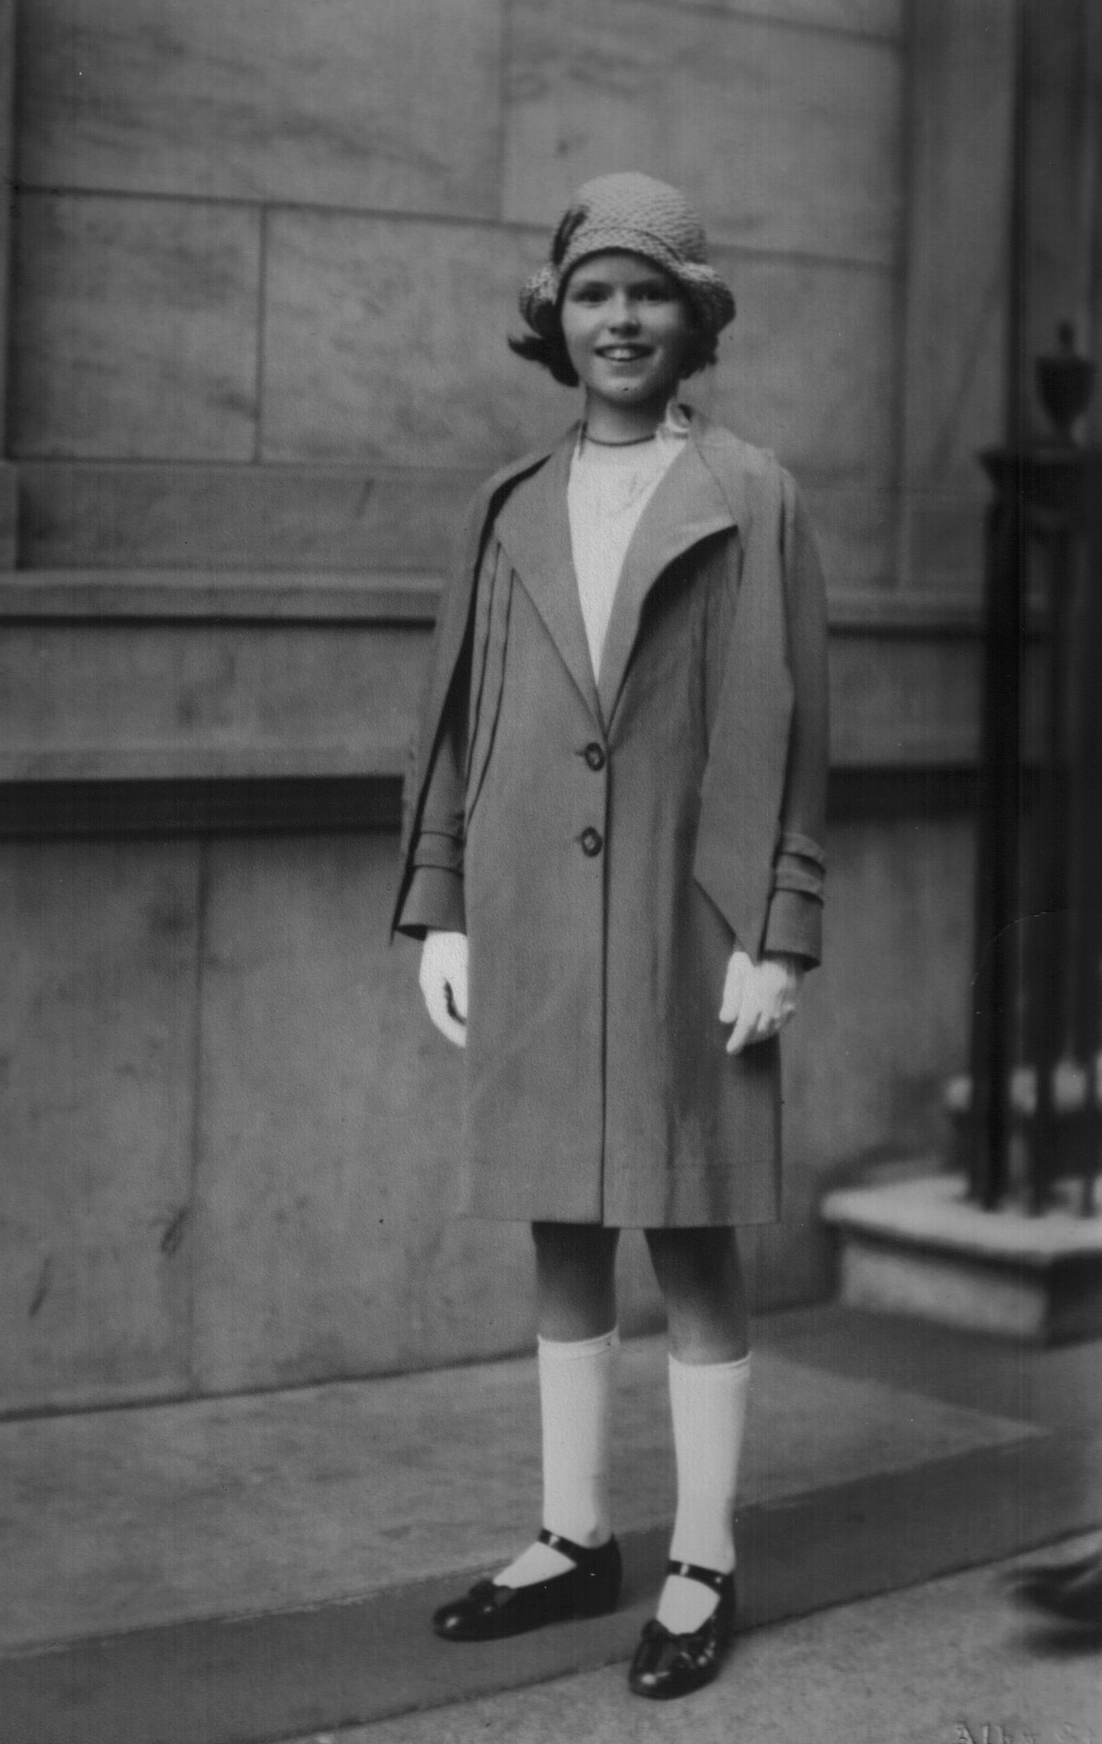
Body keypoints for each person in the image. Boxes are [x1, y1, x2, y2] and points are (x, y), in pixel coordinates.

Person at [391, 172, 829, 1701]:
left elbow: (794, 727)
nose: (621, 317)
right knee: (560, 1222)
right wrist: (440, 899)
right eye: (594, 292)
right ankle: (571, 1535)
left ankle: (702, 1555)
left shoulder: (754, 493)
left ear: (694, 317)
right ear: (555, 321)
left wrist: (776, 926)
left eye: (649, 291)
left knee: (691, 1222)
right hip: (528, 908)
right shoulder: (506, 503)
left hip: (681, 914)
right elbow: (456, 714)